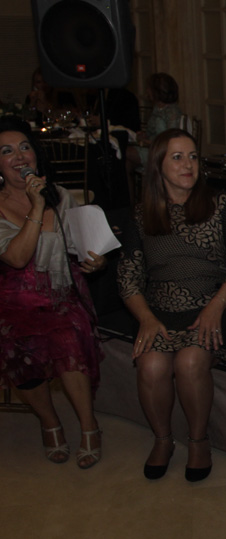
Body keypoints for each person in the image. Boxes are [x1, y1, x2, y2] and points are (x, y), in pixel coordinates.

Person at [117, 128, 226, 483]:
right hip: (159, 311)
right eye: (177, 157)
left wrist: (215, 307)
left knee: (189, 362)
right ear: (158, 165)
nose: (188, 164)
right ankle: (162, 440)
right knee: (151, 365)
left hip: (216, 304)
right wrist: (145, 319)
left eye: (192, 157)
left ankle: (199, 441)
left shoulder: (222, 205)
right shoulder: (141, 215)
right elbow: (128, 277)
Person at [0, 115, 106, 469]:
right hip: (12, 300)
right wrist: (35, 207)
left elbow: (82, 244)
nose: (19, 156)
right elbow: (16, 258)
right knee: (16, 341)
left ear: (36, 154)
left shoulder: (61, 197)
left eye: (25, 147)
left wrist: (95, 261)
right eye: (7, 151)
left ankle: (89, 426)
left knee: (67, 334)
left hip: (60, 293)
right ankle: (50, 422)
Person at [125, 73, 183, 198]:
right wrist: (144, 136)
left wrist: (147, 142)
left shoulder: (172, 112)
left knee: (125, 153)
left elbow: (170, 139)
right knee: (125, 163)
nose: (147, 91)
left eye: (149, 88)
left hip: (162, 151)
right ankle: (131, 201)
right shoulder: (157, 108)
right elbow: (154, 131)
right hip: (152, 146)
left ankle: (145, 198)